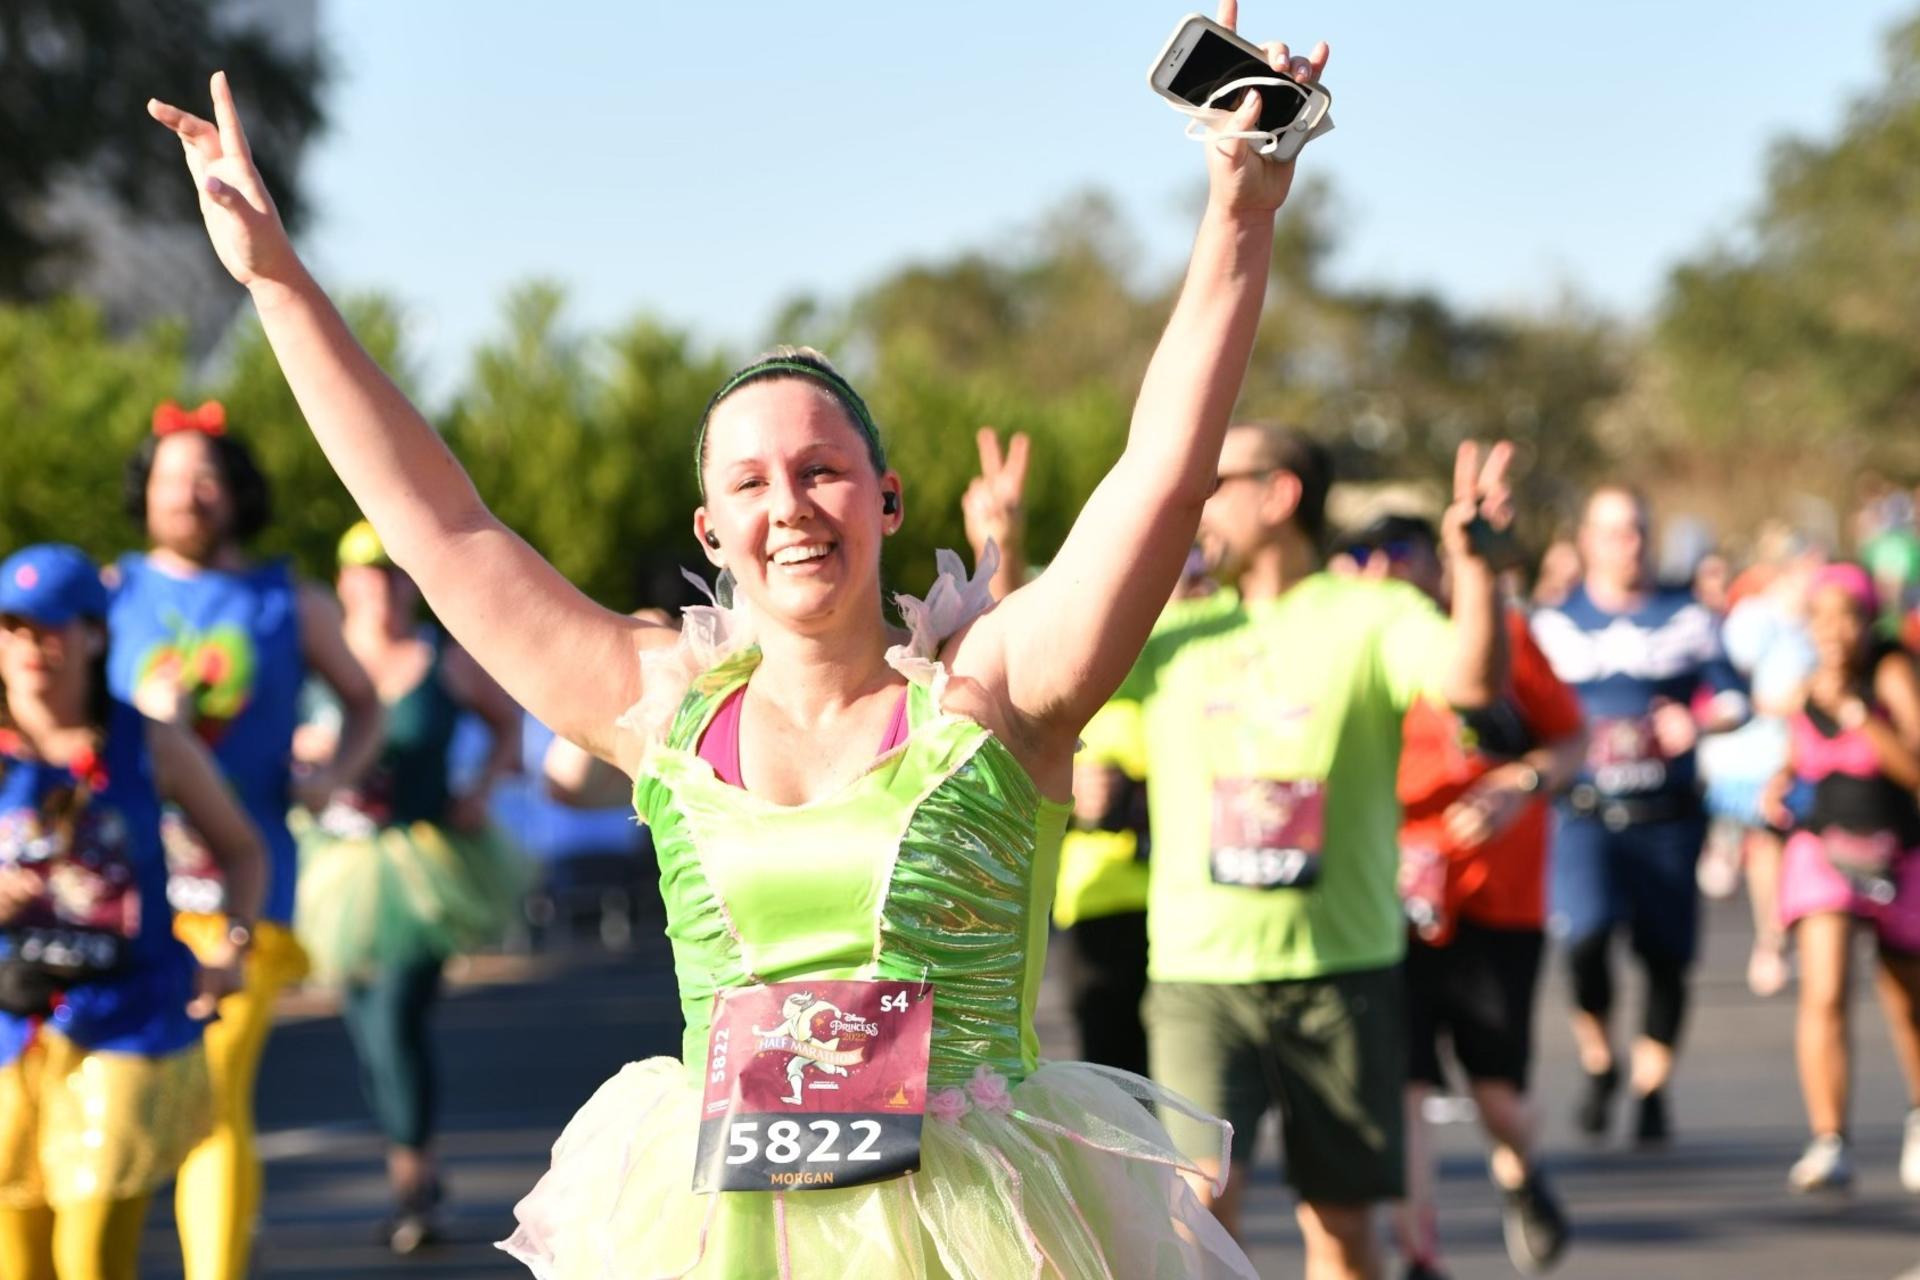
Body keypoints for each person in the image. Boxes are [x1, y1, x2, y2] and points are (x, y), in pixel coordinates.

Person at [147, 8, 1334, 1271]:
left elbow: (1161, 477)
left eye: (823, 470)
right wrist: (277, 282)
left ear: (886, 499)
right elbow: (441, 527)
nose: (792, 507)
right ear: (711, 527)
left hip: (977, 1230)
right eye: (752, 482)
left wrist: (1238, 214)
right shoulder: (659, 708)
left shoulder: (995, 692)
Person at [1123, 432, 1515, 1280]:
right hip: (1199, 976)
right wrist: (1003, 549)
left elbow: (1473, 684)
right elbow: (1031, 677)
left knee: (1341, 1233)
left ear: (1280, 494)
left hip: (1342, 973)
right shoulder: (1171, 626)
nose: (1199, 501)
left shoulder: (1372, 614)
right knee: (1197, 1216)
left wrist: (1478, 569)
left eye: (1217, 482)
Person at [108, 400, 384, 1280]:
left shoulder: (289, 600)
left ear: (235, 493)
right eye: (170, 478)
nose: (187, 495)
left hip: (245, 884)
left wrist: (333, 776)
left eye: (205, 478)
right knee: (117, 1104)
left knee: (214, 1094)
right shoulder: (108, 599)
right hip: (122, 894)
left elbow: (366, 703)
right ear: (144, 492)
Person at [0, 544, 265, 1280]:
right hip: (10, 1021)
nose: (29, 646)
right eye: (12, 628)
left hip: (128, 1014)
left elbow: (244, 850)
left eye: (50, 626)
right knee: (17, 1258)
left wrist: (232, 945)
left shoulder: (149, 742)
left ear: (94, 634)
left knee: (89, 1254)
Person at [1344, 515, 1581, 1279]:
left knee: (1498, 1098)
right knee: (1405, 1090)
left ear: (1438, 566)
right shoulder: (1345, 647)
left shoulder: (1498, 638)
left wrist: (1521, 783)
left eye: (1400, 554)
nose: (1381, 569)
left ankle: (1523, 1172)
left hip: (1493, 903)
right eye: (1361, 555)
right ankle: (1421, 1256)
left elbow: (1572, 740)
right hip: (1386, 906)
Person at [293, 521, 528, 1251]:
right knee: (368, 1029)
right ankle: (413, 1168)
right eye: (367, 574)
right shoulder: (320, 662)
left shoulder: (443, 659)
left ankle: (414, 1184)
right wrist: (304, 754)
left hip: (424, 866)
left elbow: (508, 723)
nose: (382, 588)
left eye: (394, 573)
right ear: (343, 583)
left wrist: (481, 788)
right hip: (337, 865)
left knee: (395, 1015)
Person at [1530, 486, 1747, 1146]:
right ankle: (1601, 1061)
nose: (1628, 545)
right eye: (1613, 532)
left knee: (1665, 958)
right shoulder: (1553, 624)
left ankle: (1652, 1087)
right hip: (1585, 815)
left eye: (1638, 532)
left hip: (1667, 818)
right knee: (1585, 939)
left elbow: (1736, 698)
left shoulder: (1688, 618)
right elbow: (1519, 710)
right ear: (1585, 541)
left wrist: (1699, 721)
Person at [1760, 563, 1920, 1195]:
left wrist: (1859, 715)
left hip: (1898, 851)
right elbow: (1796, 760)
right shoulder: (1807, 687)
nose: (1833, 631)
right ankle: (1829, 1139)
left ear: (1868, 620)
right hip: (1824, 850)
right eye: (1820, 619)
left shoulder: (1892, 674)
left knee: (1907, 998)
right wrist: (1779, 783)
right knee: (1824, 991)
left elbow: (1914, 766)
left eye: (1847, 617)